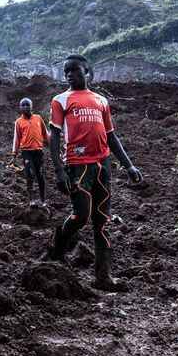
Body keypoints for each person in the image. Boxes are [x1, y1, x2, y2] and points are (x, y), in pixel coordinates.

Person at [47, 55, 143, 291]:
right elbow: (55, 137)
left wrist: (129, 165)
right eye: (66, 71)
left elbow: (111, 136)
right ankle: (58, 246)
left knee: (102, 222)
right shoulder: (61, 100)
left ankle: (104, 276)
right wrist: (59, 171)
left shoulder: (101, 101)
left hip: (103, 166)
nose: (69, 74)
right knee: (81, 216)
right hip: (77, 166)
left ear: (87, 72)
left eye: (75, 70)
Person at [12, 97, 49, 205]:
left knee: (40, 175)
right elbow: (16, 138)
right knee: (30, 174)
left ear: (32, 106)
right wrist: (14, 154)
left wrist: (53, 144)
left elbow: (45, 133)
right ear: (20, 108)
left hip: (38, 151)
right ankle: (31, 199)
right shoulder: (18, 122)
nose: (25, 107)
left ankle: (43, 200)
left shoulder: (38, 118)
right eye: (23, 105)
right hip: (26, 152)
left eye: (27, 104)